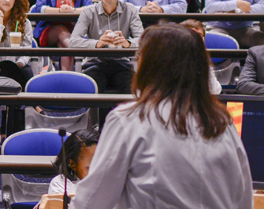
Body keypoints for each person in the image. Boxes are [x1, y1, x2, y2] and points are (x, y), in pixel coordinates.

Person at [70, 24, 254, 208]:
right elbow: (244, 199)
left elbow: (91, 202)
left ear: (148, 64)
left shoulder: (128, 120)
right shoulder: (222, 122)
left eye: (139, 55)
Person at [70, 0, 143, 94]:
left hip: (122, 65)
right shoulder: (88, 11)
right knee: (91, 89)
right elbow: (73, 41)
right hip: (94, 65)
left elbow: (143, 40)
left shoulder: (130, 10)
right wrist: (97, 43)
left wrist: (127, 43)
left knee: (132, 89)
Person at [32, 0, 92, 71]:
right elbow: (38, 8)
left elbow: (89, 8)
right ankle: (78, 51)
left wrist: (73, 10)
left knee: (63, 45)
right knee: (60, 29)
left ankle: (66, 77)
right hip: (49, 30)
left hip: (73, 31)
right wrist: (59, 10)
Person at [34, 128, 99, 208]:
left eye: (101, 165)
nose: (98, 172)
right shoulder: (60, 185)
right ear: (72, 164)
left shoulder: (113, 179)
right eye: (90, 168)